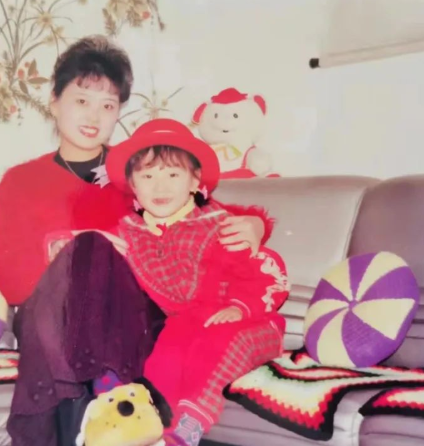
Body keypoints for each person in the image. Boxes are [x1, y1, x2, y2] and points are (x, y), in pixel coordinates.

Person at [0, 35, 274, 446]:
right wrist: (63, 249)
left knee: (95, 251)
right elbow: (11, 284)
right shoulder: (21, 182)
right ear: (53, 101)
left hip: (134, 322)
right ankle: (94, 414)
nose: (94, 116)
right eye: (81, 100)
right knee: (89, 250)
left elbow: (201, 212)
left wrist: (256, 225)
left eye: (108, 105)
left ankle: (87, 420)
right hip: (50, 320)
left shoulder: (138, 173)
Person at [104, 118, 290, 446]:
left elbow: (265, 273)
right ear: (133, 184)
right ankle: (154, 424)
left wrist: (240, 307)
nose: (160, 187)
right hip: (188, 322)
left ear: (194, 181)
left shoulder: (220, 225)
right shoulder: (130, 233)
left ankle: (191, 425)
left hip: (251, 322)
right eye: (147, 176)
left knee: (215, 344)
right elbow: (93, 253)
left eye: (173, 175)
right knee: (166, 352)